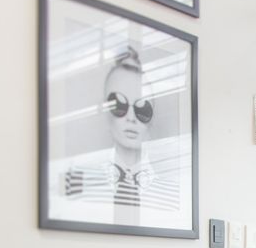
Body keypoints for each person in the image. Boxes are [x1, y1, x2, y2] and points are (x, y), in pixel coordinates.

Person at [62, 46, 180, 225]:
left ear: (152, 117)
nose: (131, 118)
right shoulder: (78, 183)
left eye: (142, 108)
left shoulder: (173, 194)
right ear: (105, 111)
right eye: (119, 105)